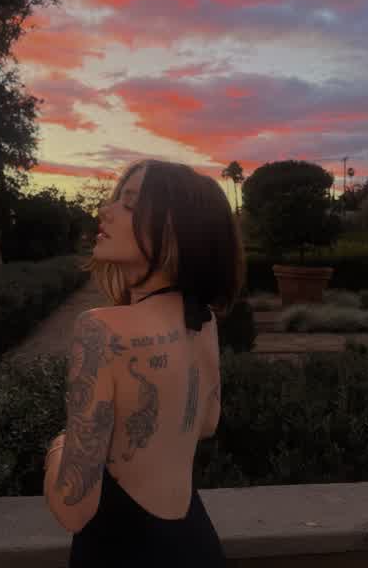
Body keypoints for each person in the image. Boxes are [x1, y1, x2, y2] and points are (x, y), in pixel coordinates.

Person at [43, 159, 245, 567]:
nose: (106, 211)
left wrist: (58, 446)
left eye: (130, 204)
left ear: (174, 231)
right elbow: (207, 422)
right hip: (195, 543)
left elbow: (72, 507)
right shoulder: (202, 320)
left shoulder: (102, 330)